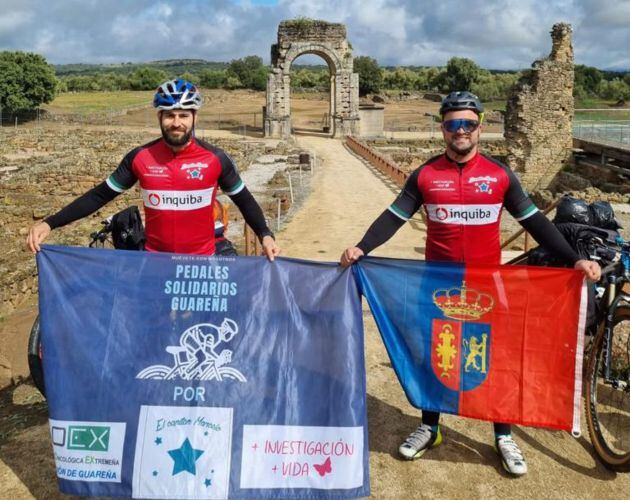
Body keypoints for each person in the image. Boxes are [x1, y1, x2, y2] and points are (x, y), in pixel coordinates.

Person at [340, 91, 601, 476]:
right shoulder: (426, 175)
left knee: (496, 357)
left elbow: (535, 223)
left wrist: (574, 257)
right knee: (435, 353)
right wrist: (362, 247)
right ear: (442, 129)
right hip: (438, 285)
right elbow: (394, 217)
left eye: (468, 124)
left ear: (480, 127)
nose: (460, 131)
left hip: (488, 284)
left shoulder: (499, 175)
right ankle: (430, 426)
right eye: (452, 124)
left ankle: (502, 434)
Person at [26, 78, 279, 260]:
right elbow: (99, 196)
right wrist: (50, 223)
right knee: (153, 331)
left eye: (183, 115)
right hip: (154, 262)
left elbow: (243, 199)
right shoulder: (140, 158)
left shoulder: (215, 159)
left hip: (202, 262)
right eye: (169, 115)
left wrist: (265, 235)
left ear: (194, 118)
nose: (176, 123)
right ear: (159, 118)